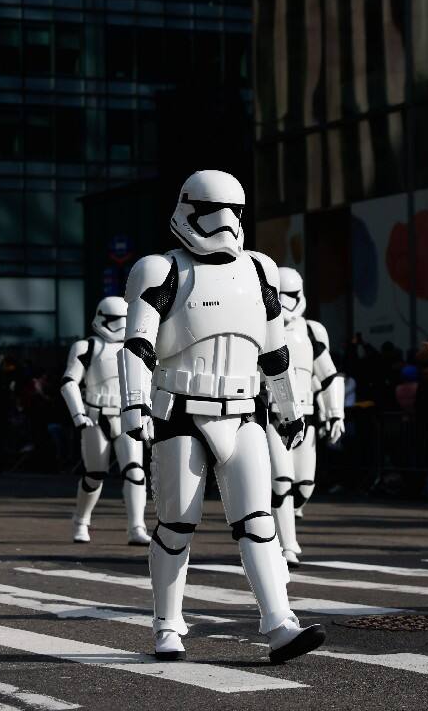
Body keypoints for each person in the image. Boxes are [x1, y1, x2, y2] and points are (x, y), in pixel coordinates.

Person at [119, 170, 326, 663]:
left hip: (244, 411)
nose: (225, 222)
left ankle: (280, 624)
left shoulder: (260, 270)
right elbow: (138, 345)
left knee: (258, 521)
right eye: (213, 211)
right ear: (188, 210)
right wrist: (134, 404)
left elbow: (274, 350)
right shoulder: (161, 270)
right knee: (176, 525)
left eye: (234, 211)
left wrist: (288, 408)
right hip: (180, 412)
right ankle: (167, 625)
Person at [267, 268, 344, 567]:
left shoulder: (312, 331)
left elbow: (327, 375)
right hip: (272, 415)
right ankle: (288, 546)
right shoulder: (262, 325)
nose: (287, 302)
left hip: (307, 413)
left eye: (292, 295)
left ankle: (276, 518)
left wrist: (334, 412)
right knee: (282, 481)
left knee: (304, 486)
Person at [60, 297, 151, 545]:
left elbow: (146, 384)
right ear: (102, 319)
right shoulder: (87, 347)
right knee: (94, 475)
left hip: (126, 415)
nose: (121, 326)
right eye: (116, 320)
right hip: (95, 415)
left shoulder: (135, 347)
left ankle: (136, 527)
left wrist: (148, 415)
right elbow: (69, 382)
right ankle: (81, 521)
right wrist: (78, 414)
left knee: (135, 471)